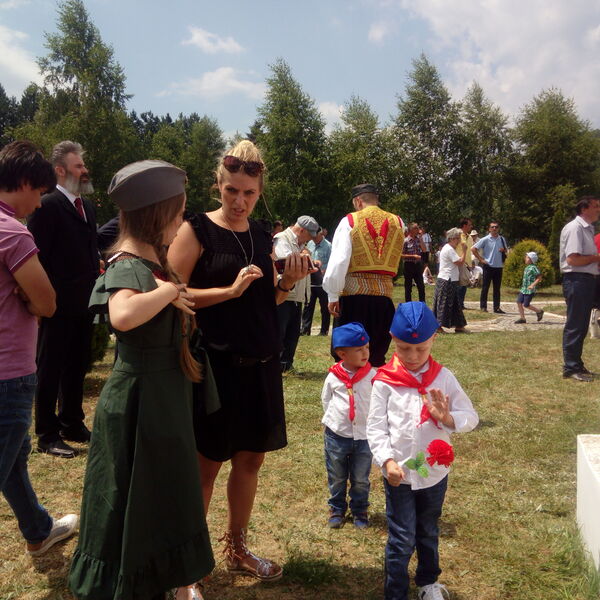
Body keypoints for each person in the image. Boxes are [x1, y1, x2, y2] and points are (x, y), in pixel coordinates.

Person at [69, 160, 214, 600]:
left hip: (163, 401)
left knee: (164, 494)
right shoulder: (128, 263)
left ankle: (171, 580)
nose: (182, 223)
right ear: (159, 213)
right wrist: (169, 291)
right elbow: (123, 315)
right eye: (179, 213)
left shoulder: (153, 259)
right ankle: (134, 582)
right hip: (140, 406)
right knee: (136, 496)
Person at [168, 140, 309, 582]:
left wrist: (285, 283)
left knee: (250, 462)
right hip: (215, 368)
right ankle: (189, 567)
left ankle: (237, 548)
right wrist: (227, 292)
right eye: (232, 190)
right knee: (205, 467)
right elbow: (170, 294)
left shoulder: (262, 235)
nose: (239, 201)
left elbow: (264, 301)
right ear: (218, 185)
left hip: (261, 364)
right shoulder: (196, 230)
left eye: (249, 193)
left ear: (259, 191)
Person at [367, 301, 479, 600]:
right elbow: (375, 427)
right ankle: (396, 592)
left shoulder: (444, 378)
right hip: (400, 474)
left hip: (433, 474)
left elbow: (471, 417)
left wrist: (448, 418)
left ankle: (428, 583)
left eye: (421, 349)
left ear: (434, 340)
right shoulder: (384, 382)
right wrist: (386, 461)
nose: (413, 356)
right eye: (404, 348)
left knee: (428, 530)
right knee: (402, 537)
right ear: (393, 339)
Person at [0, 140, 78, 557]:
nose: (39, 203)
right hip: (9, 371)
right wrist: (30, 302)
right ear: (26, 182)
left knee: (13, 459)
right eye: (40, 192)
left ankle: (38, 529)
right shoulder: (12, 232)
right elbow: (47, 302)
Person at [27, 140, 99, 458]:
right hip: (55, 305)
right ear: (60, 170)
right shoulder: (48, 205)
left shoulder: (87, 207)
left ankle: (72, 423)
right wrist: (40, 303)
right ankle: (47, 434)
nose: (85, 170)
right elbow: (37, 258)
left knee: (76, 365)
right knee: (50, 368)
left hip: (84, 304)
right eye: (78, 166)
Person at [323, 183, 404, 367]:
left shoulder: (350, 221)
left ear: (358, 201)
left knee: (348, 353)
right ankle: (375, 384)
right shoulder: (398, 222)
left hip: (354, 298)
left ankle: (349, 385)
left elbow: (340, 260)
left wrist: (333, 294)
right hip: (384, 298)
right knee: (376, 354)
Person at [321, 322, 376, 530]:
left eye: (367, 347)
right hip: (337, 435)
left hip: (364, 436)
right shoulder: (334, 376)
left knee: (361, 478)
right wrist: (335, 421)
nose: (365, 353)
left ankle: (360, 509)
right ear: (342, 354)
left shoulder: (372, 376)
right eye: (359, 349)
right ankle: (336, 508)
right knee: (337, 475)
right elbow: (326, 400)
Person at [559, 196, 600, 382]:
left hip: (585, 280)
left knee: (582, 324)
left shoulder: (587, 229)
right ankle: (571, 367)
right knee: (576, 324)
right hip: (577, 280)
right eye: (595, 206)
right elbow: (572, 259)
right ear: (584, 209)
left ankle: (576, 364)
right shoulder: (575, 228)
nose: (598, 209)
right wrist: (596, 258)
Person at [273, 215, 321, 371]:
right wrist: (306, 258)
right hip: (284, 293)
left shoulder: (301, 244)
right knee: (280, 331)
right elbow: (285, 261)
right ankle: (276, 365)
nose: (311, 239)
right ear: (301, 230)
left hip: (297, 295)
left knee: (293, 333)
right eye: (309, 235)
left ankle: (287, 364)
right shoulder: (282, 239)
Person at [432, 228, 468, 333]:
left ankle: (459, 326)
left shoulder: (448, 248)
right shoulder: (449, 249)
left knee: (455, 304)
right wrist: (464, 251)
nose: (459, 241)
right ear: (451, 238)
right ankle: (438, 327)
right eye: (457, 238)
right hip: (447, 279)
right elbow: (460, 262)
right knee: (444, 304)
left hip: (449, 279)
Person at [471, 221, 508, 314]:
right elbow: (473, 249)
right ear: (489, 229)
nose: (494, 228)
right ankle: (483, 307)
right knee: (485, 287)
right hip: (488, 266)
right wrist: (481, 259)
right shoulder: (485, 239)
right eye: (492, 227)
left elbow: (506, 250)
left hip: (499, 266)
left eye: (496, 227)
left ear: (498, 228)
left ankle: (497, 307)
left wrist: (504, 250)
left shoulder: (502, 239)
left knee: (497, 289)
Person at [301, 227, 332, 336]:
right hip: (310, 279)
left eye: (315, 235)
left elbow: (332, 262)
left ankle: (324, 330)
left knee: (324, 307)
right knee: (308, 305)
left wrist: (324, 269)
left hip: (322, 281)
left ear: (321, 234)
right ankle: (305, 330)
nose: (313, 237)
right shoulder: (310, 243)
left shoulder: (328, 246)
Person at [514, 252, 544, 324]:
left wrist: (532, 285)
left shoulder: (534, 268)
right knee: (519, 302)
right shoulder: (527, 267)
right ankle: (522, 318)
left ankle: (539, 311)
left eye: (527, 257)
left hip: (529, 290)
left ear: (531, 259)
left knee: (526, 305)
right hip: (523, 289)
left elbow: (539, 277)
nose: (525, 258)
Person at [402, 222, 427, 303]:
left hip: (417, 266)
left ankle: (422, 304)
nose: (418, 230)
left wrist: (421, 238)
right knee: (408, 287)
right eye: (416, 228)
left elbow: (424, 250)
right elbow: (401, 255)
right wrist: (413, 256)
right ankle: (408, 305)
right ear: (411, 230)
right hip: (408, 266)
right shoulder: (405, 241)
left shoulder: (418, 240)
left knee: (421, 286)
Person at [456, 218, 473, 309]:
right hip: (459, 262)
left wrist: (470, 264)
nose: (471, 226)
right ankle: (458, 304)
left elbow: (469, 251)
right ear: (464, 225)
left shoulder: (469, 237)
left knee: (464, 283)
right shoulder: (458, 235)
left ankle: (461, 303)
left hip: (467, 264)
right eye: (469, 225)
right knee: (459, 284)